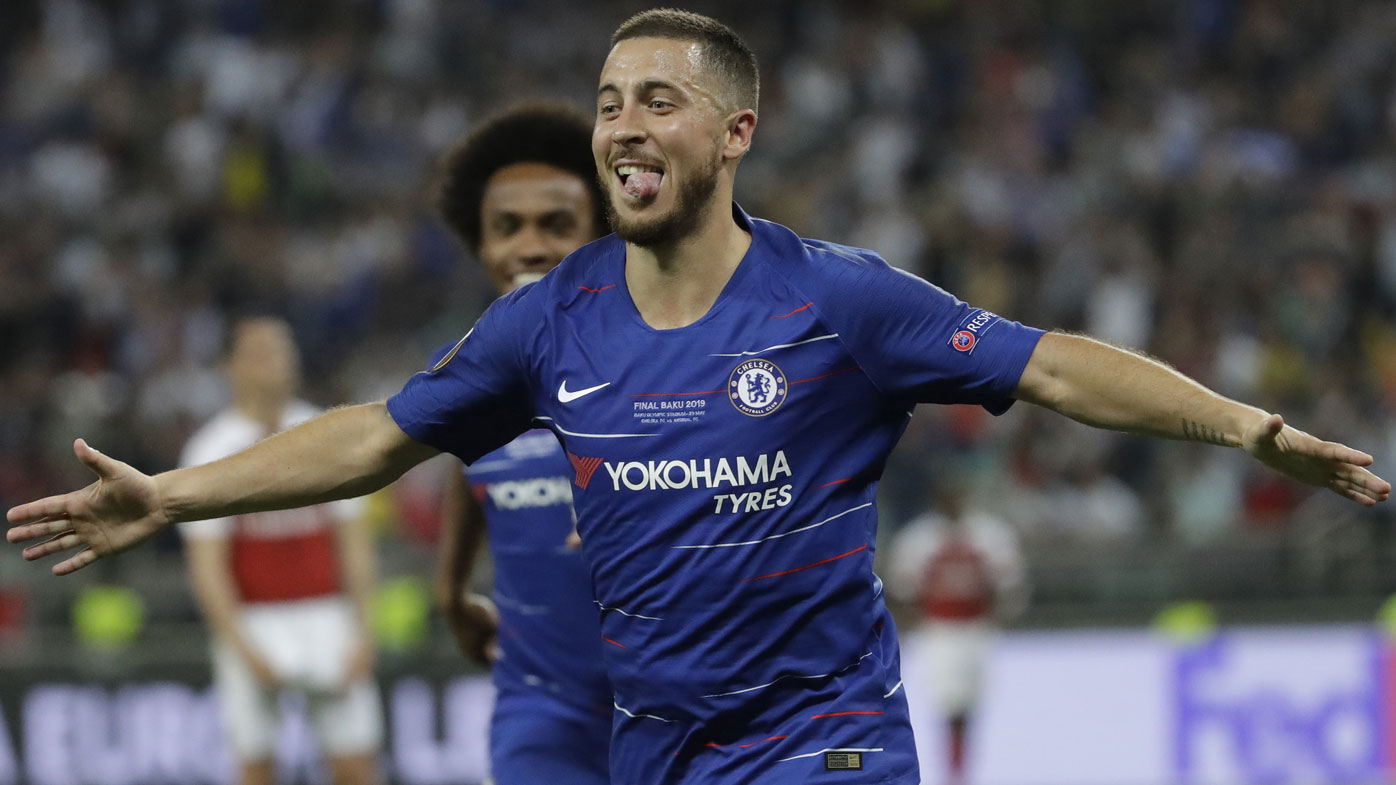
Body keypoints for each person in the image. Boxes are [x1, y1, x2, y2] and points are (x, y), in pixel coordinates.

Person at [7, 9, 1389, 785]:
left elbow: (1055, 362)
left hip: (825, 743)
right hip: (653, 749)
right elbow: (378, 434)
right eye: (610, 99)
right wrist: (170, 493)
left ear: (735, 134)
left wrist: (1245, 426)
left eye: (658, 100)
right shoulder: (549, 316)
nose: (622, 124)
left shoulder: (837, 298)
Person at [430, 103, 612, 784]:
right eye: (507, 227)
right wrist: (451, 590)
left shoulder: (667, 364)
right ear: (480, 246)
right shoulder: (464, 382)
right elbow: (470, 465)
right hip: (540, 712)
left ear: (603, 235)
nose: (529, 247)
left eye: (556, 224)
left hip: (679, 710)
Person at [180, 315, 382, 785]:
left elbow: (354, 543)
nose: (274, 363)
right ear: (230, 366)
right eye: (259, 353)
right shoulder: (211, 449)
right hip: (255, 618)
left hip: (328, 613)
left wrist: (363, 630)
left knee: (355, 763)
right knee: (255, 763)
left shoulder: (325, 433)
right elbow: (208, 567)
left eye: (281, 350)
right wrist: (240, 647)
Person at [889, 473, 1028, 785]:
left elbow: (1010, 582)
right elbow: (902, 588)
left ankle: (965, 769)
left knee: (973, 704)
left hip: (977, 628)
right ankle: (951, 771)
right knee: (946, 703)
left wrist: (999, 612)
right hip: (939, 630)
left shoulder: (989, 534)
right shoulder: (919, 538)